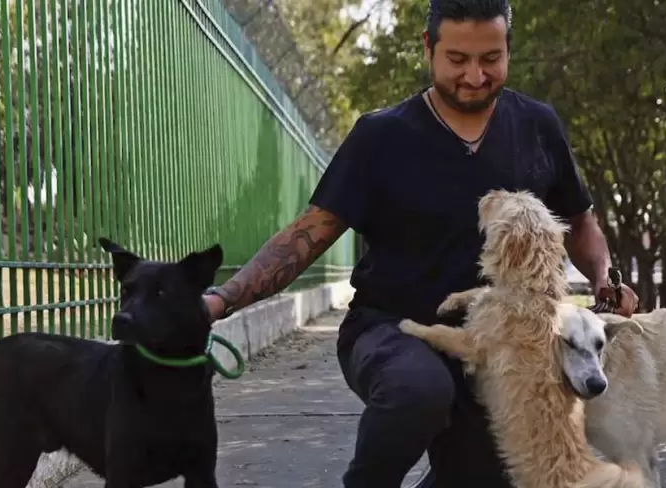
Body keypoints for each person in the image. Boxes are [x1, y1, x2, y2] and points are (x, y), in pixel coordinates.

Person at [201, 0, 639, 486]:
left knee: (490, 473)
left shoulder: (538, 127)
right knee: (419, 390)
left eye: (490, 59)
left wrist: (605, 278)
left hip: (497, 344)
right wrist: (219, 301)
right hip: (391, 330)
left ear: (508, 52)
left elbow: (580, 223)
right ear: (428, 49)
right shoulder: (382, 136)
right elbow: (307, 236)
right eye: (457, 59)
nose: (474, 75)